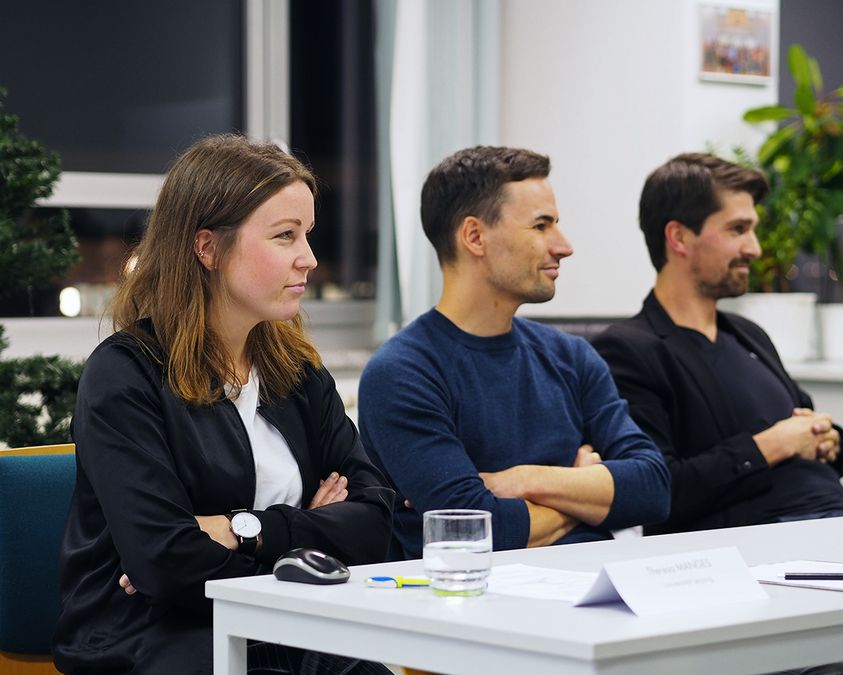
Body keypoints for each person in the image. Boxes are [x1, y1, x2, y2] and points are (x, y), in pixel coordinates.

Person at [53, 134, 395, 675]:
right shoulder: (125, 374)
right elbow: (166, 564)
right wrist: (305, 530)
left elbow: (376, 523)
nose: (308, 259)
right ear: (207, 248)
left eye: (307, 235)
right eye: (285, 236)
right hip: (155, 642)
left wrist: (242, 529)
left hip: (288, 630)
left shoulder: (296, 371)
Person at [358, 146, 670, 560]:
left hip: (598, 596)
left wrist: (526, 480)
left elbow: (653, 489)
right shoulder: (402, 372)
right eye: (541, 226)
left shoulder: (572, 356)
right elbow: (475, 529)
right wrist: (584, 491)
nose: (564, 246)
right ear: (474, 236)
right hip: (475, 608)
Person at [593, 152, 843, 535]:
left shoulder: (749, 334)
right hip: (758, 545)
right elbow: (657, 490)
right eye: (738, 229)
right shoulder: (628, 350)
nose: (754, 248)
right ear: (679, 237)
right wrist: (772, 445)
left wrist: (830, 438)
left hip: (840, 523)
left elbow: (808, 426)